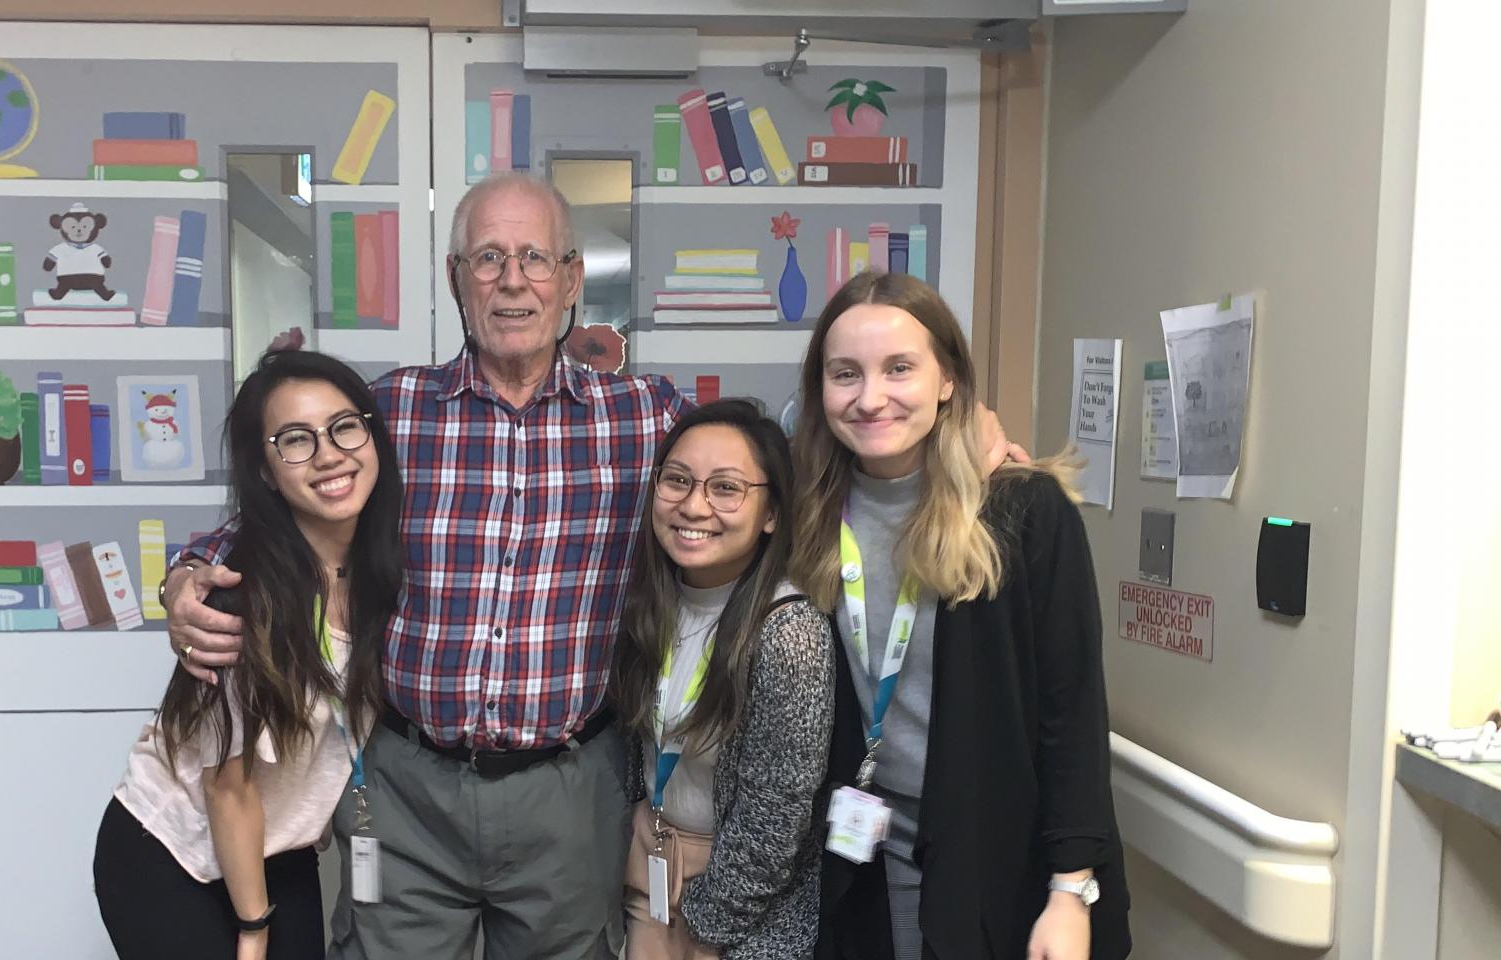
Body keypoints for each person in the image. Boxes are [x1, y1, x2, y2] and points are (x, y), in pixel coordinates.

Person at [162, 173, 1022, 959]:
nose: (512, 279)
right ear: (457, 277)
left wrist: (958, 442)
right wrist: (189, 573)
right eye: (489, 258)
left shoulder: (647, 420)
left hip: (570, 793)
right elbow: (279, 504)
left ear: (571, 281)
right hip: (404, 785)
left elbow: (773, 473)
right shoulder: (392, 412)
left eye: (535, 257)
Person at [793, 273, 1130, 960]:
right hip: (866, 862)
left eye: (899, 369)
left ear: (948, 379)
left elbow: (1070, 714)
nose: (870, 397)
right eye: (845, 374)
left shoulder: (1020, 512)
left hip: (1004, 867)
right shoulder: (805, 518)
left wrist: (1071, 892)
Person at [93, 350, 402, 960]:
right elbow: (227, 789)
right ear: (265, 470)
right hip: (174, 850)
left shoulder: (383, 571)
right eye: (295, 440)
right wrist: (254, 930)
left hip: (277, 848)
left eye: (344, 426)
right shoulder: (242, 595)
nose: (329, 454)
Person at [608, 400, 833, 960]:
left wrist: (708, 923)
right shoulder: (648, 605)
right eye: (677, 480)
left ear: (772, 513)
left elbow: (775, 815)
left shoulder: (788, 630)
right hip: (650, 880)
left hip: (734, 913)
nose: (694, 505)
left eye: (726, 488)